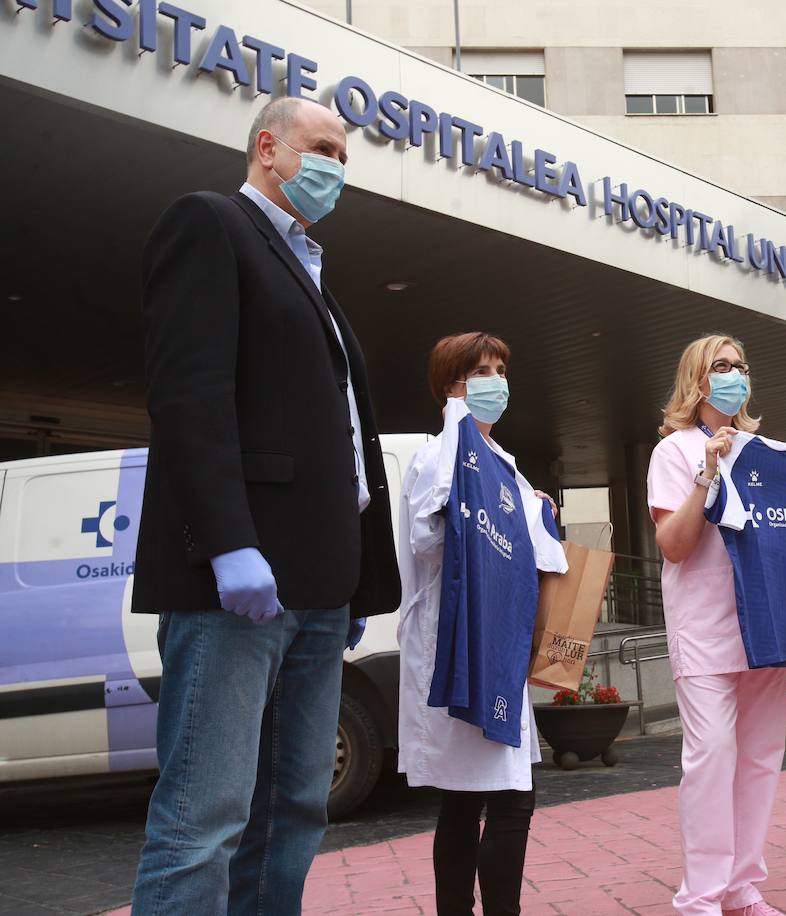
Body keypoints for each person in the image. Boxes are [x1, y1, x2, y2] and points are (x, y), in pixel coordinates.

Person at [130, 96, 400, 915]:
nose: (335, 168)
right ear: (268, 148)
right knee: (203, 818)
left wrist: (353, 578)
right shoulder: (211, 224)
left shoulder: (315, 279)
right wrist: (226, 544)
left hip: (320, 587)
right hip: (240, 588)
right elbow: (190, 395)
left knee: (294, 809)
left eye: (345, 157)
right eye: (323, 147)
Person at [647, 334, 786, 916]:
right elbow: (674, 547)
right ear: (697, 379)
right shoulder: (675, 452)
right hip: (705, 627)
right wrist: (707, 476)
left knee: (760, 758)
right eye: (722, 366)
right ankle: (701, 894)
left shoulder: (767, 451)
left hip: (768, 626)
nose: (735, 375)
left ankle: (740, 886)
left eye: (741, 366)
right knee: (710, 757)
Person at [399, 332, 568, 915]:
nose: (496, 381)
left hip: (499, 650)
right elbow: (428, 537)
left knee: (474, 801)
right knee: (496, 800)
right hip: (462, 647)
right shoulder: (441, 452)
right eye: (481, 372)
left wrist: (533, 508)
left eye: (501, 369)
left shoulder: (504, 466)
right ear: (452, 386)